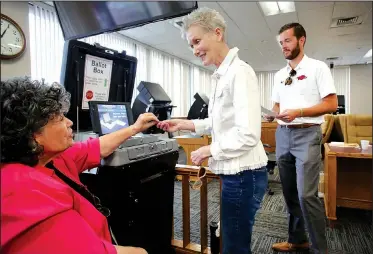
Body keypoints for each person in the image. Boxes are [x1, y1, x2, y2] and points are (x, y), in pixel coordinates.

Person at [1, 77, 158, 254]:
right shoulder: (23, 193)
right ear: (33, 135)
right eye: (60, 118)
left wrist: (134, 128)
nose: (70, 122)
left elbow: (99, 146)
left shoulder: (54, 157)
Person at [157, 7, 268, 254]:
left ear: (217, 33)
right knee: (230, 238)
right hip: (236, 174)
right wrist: (185, 124)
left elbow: (248, 133)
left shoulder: (240, 72)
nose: (194, 50)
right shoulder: (222, 74)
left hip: (244, 175)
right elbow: (220, 121)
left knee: (234, 245)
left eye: (197, 41)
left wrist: (210, 149)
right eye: (191, 45)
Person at [264, 23, 337, 254]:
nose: (283, 46)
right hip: (283, 134)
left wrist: (299, 112)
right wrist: (272, 114)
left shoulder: (318, 68)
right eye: (280, 43)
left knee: (307, 195)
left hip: (307, 134)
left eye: (287, 41)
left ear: (301, 40)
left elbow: (331, 104)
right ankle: (297, 240)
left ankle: (320, 249)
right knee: (290, 193)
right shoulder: (279, 74)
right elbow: (277, 103)